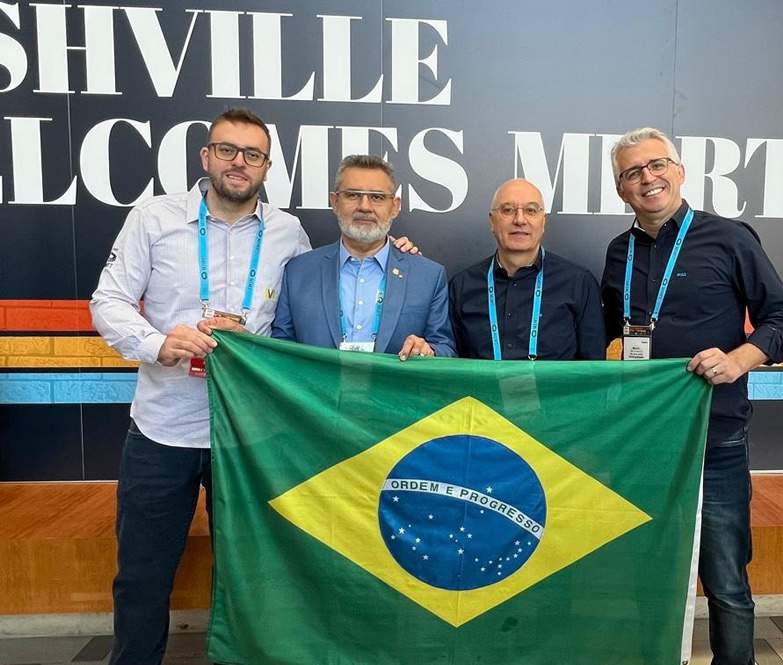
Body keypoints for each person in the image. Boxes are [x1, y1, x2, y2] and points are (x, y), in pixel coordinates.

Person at [90, 110, 413, 664]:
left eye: (253, 154)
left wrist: (393, 257)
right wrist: (156, 343)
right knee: (142, 574)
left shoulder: (288, 232)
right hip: (164, 426)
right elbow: (109, 301)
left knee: (252, 574)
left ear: (267, 166)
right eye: (227, 150)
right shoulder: (153, 218)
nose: (239, 163)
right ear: (205, 158)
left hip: (251, 435)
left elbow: (329, 283)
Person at [600, 127, 783, 665]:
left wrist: (739, 359)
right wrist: (612, 349)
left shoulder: (730, 238)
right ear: (620, 189)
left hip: (716, 434)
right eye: (632, 172)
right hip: (644, 439)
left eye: (657, 165)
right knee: (649, 568)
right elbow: (612, 335)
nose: (648, 178)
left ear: (680, 170)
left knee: (725, 575)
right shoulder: (617, 252)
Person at [272, 155, 455, 359]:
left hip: (393, 390)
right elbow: (280, 350)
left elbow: (446, 348)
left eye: (377, 197)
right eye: (353, 195)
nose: (365, 207)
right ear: (334, 202)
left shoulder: (428, 276)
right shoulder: (298, 272)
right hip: (314, 391)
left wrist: (429, 351)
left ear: (395, 207)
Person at [449, 178, 605, 360]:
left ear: (543, 221)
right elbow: (449, 363)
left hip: (553, 389)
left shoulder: (579, 284)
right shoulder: (461, 286)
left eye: (531, 210)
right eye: (508, 210)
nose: (520, 220)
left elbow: (593, 369)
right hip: (481, 389)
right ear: (492, 221)